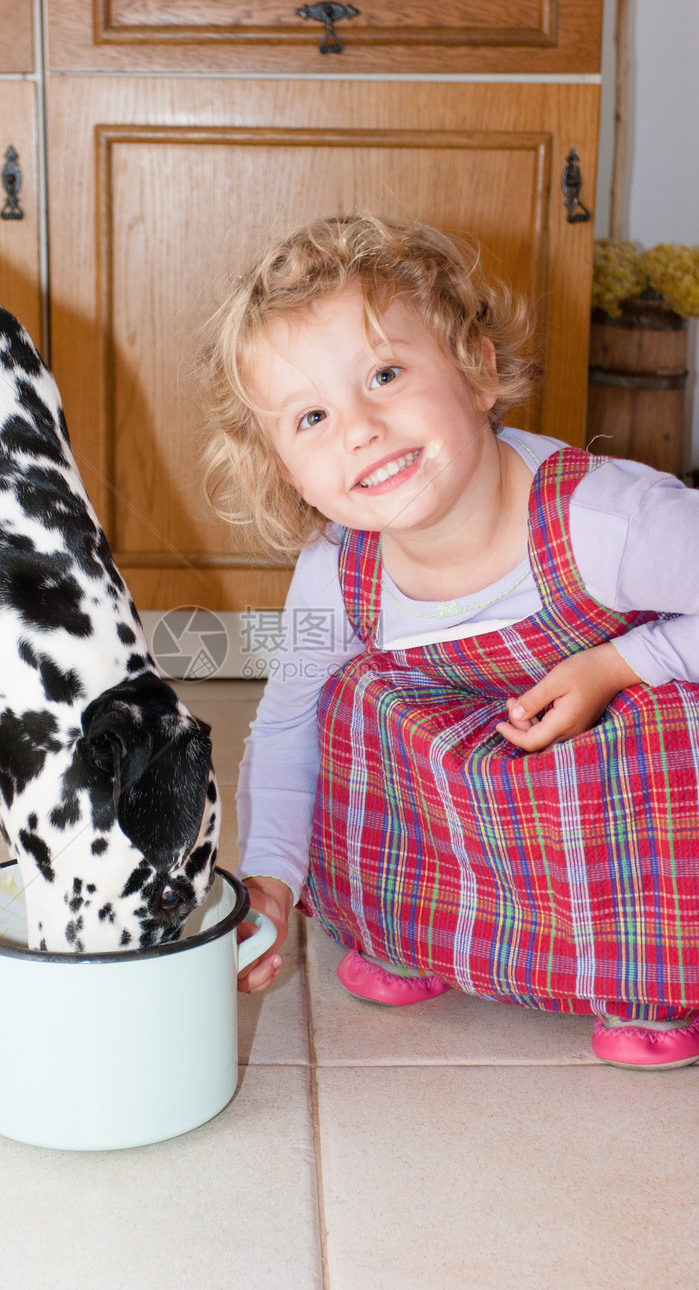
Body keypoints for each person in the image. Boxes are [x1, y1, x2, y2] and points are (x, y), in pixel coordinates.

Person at [200, 213, 699, 1070]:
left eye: (385, 375)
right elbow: (282, 727)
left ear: (478, 370)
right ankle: (415, 934)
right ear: (286, 469)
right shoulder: (333, 574)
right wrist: (272, 881)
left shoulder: (607, 524)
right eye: (312, 417)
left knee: (668, 717)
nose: (358, 428)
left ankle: (652, 976)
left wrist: (621, 664)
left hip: (610, 795)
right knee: (346, 700)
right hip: (468, 800)